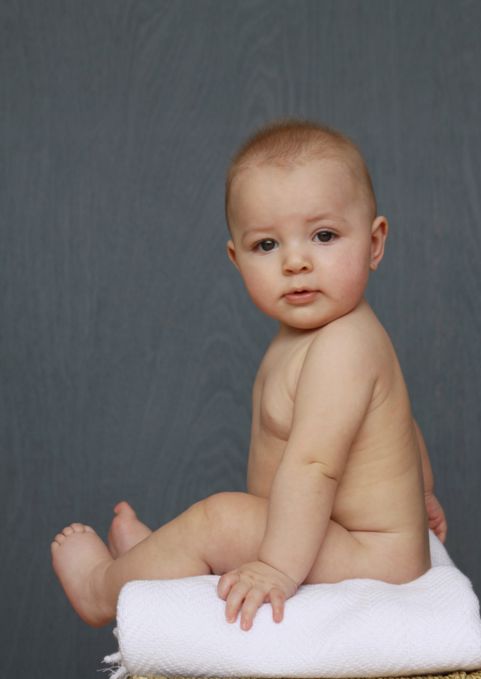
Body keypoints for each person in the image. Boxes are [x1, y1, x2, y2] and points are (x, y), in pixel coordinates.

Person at [51, 118, 447, 632]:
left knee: (219, 519)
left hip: (374, 560)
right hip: (341, 537)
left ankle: (102, 588)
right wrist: (422, 493)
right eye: (267, 245)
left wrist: (278, 568)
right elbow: (400, 425)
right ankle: (156, 562)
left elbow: (314, 466)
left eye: (324, 235)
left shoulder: (344, 345)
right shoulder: (310, 337)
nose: (296, 262)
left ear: (374, 243)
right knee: (229, 522)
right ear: (237, 259)